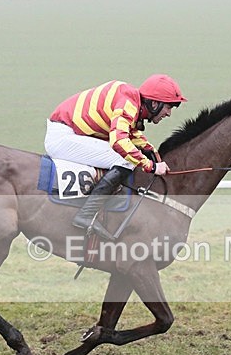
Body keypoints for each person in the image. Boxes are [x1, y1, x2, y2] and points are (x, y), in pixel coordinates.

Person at [44, 74, 187, 240]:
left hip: (69, 133)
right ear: (155, 103)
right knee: (125, 159)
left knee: (130, 155)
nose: (169, 114)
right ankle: (86, 215)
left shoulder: (131, 101)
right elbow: (119, 141)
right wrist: (151, 166)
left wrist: (154, 155)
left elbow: (134, 136)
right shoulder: (128, 103)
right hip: (63, 138)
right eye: (168, 107)